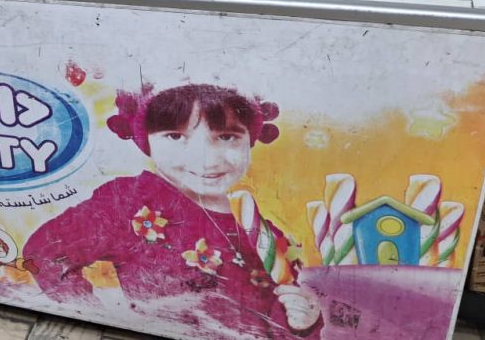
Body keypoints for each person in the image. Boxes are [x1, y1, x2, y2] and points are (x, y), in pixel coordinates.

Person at [24, 84, 322, 338]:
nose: (206, 159)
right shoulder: (130, 201)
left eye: (226, 136)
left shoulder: (264, 234)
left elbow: (276, 319)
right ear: (146, 140)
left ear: (250, 141)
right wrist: (94, 313)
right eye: (176, 136)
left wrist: (303, 322)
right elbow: (43, 252)